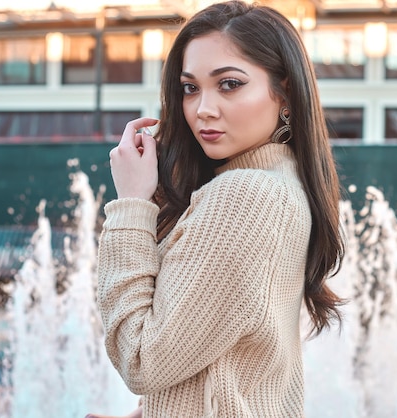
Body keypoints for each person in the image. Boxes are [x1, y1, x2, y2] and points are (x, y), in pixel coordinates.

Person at [87, 1, 344, 417]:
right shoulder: (282, 184)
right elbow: (233, 355)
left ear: (286, 94)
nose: (202, 108)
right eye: (190, 88)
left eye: (229, 84)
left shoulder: (245, 196)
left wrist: (131, 205)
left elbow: (140, 361)